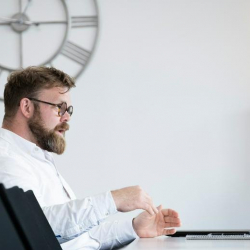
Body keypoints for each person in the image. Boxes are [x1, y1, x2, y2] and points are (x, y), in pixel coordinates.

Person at [0, 66, 181, 249]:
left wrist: (134, 228)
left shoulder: (36, 157)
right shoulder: (6, 158)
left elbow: (79, 240)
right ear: (27, 107)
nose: (67, 117)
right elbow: (34, 228)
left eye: (69, 110)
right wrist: (113, 200)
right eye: (59, 108)